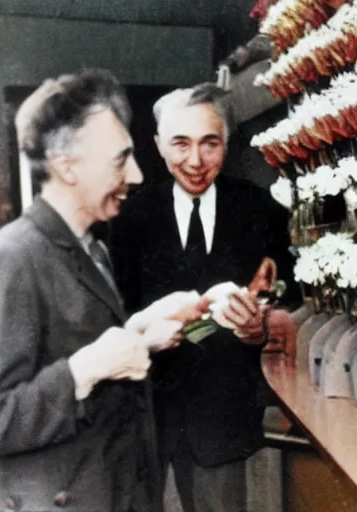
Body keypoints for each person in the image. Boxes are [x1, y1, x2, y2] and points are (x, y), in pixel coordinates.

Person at [0, 69, 203, 512]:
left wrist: (139, 334)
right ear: (66, 166)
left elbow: (71, 349)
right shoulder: (11, 260)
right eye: (119, 159)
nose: (134, 175)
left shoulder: (89, 249)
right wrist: (80, 372)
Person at [110, 83, 299, 512]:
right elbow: (113, 316)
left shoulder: (260, 209)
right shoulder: (128, 217)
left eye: (209, 144)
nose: (195, 161)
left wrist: (261, 326)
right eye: (180, 144)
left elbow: (287, 291)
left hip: (221, 414)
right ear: (159, 146)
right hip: (146, 415)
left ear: (226, 145)